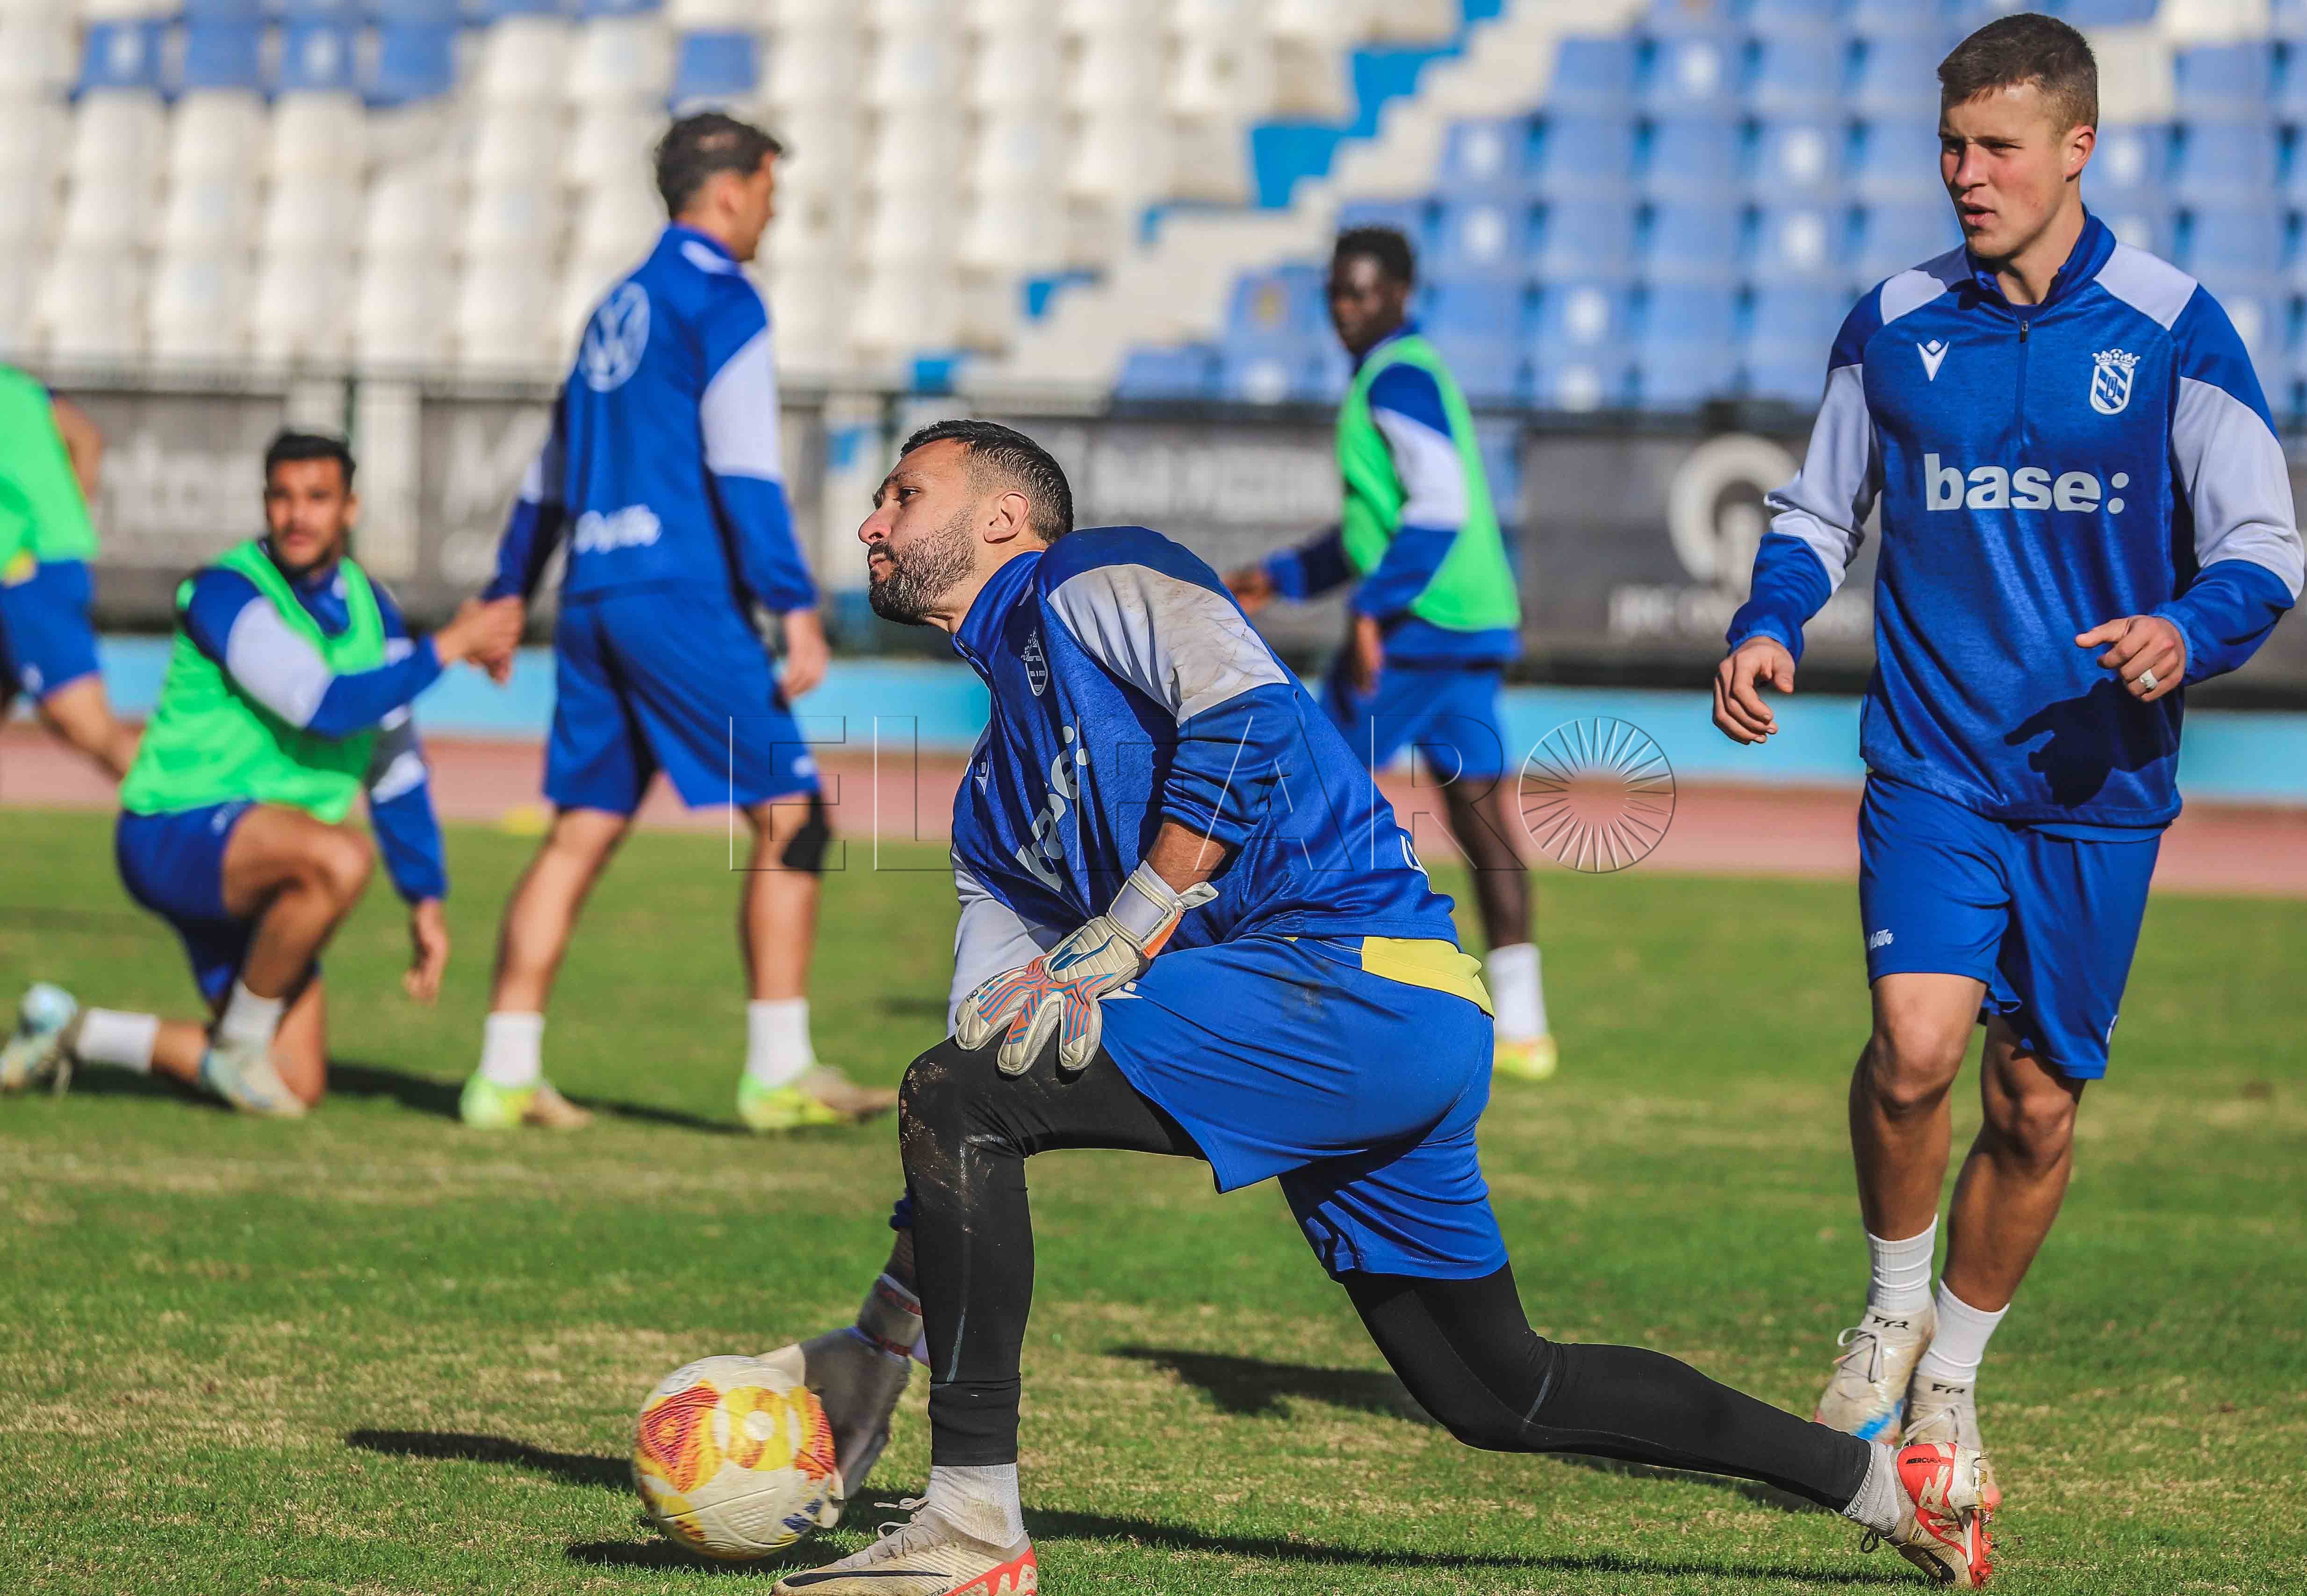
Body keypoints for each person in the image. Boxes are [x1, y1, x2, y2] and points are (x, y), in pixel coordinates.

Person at [754, 421, 1994, 1594]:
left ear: (1002, 520)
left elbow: (1243, 712)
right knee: (1500, 1390)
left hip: (1356, 983)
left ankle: (973, 1524)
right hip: (1355, 1022)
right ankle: (1883, 1486)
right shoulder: (989, 808)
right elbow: (986, 1058)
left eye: (903, 494)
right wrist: (883, 1333)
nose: (870, 522)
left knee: (953, 1094)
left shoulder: (1089, 574)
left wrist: (1127, 924)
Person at [1710, 15, 2302, 1487]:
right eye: (1949, 147)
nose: (1964, 175)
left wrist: (2183, 628)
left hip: (2097, 787)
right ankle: (1886, 1311)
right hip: (1932, 764)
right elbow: (1814, 508)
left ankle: (1951, 1383)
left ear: (2075, 148)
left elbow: (2262, 546)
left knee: (2032, 1105)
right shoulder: (1893, 321)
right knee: (1914, 1051)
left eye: (1995, 148)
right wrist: (1769, 617)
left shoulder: (2172, 326)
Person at [463, 111, 888, 1134]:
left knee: (578, 833)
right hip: (677, 595)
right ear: (732, 189)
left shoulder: (613, 306)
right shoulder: (721, 297)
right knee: (793, 815)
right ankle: (778, 1072)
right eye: (770, 194)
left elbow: (549, 471)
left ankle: (501, 1076)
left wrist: (509, 586)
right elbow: (743, 466)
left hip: (592, 595)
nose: (772, 216)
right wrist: (794, 604)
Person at [0, 431, 516, 1114]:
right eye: (282, 496)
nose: (297, 515)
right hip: (175, 829)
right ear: (264, 502)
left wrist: (425, 896)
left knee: (292, 1084)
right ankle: (239, 1043)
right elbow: (323, 705)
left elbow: (394, 764)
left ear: (351, 508)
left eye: (317, 498)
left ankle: (74, 1031)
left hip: (270, 860)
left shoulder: (376, 613)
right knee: (340, 859)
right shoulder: (225, 592)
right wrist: (450, 644)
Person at [1228, 228, 1556, 1083]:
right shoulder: (1409, 371)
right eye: (1336, 292)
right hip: (1470, 623)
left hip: (1418, 626)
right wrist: (1283, 575)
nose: (1345, 308)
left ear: (1401, 294)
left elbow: (1438, 507)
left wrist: (1373, 610)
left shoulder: (1395, 377)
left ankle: (1287, 995)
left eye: (1362, 292)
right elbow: (1376, 527)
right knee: (1481, 820)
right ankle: (1524, 1028)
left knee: (1298, 793)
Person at [0, 363, 138, 778]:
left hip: (27, 574)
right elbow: (86, 437)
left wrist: (52, 530)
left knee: (86, 724)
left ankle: (195, 807)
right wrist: (67, 518)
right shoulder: (20, 388)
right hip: (44, 563)